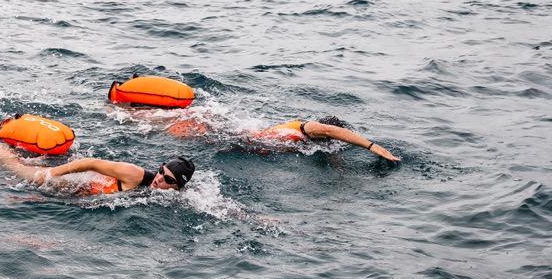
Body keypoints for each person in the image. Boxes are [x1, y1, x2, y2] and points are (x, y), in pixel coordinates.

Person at [0, 124, 195, 194]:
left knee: (17, 167)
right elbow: (90, 162)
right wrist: (51, 175)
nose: (159, 179)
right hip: (74, 180)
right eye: (161, 171)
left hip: (78, 190)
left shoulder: (169, 195)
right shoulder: (134, 174)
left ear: (177, 187)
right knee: (17, 169)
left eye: (168, 180)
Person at [167, 116, 400, 161]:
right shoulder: (308, 128)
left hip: (251, 146)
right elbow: (330, 131)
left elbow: (331, 156)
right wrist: (372, 146)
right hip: (242, 140)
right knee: (191, 134)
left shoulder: (314, 145)